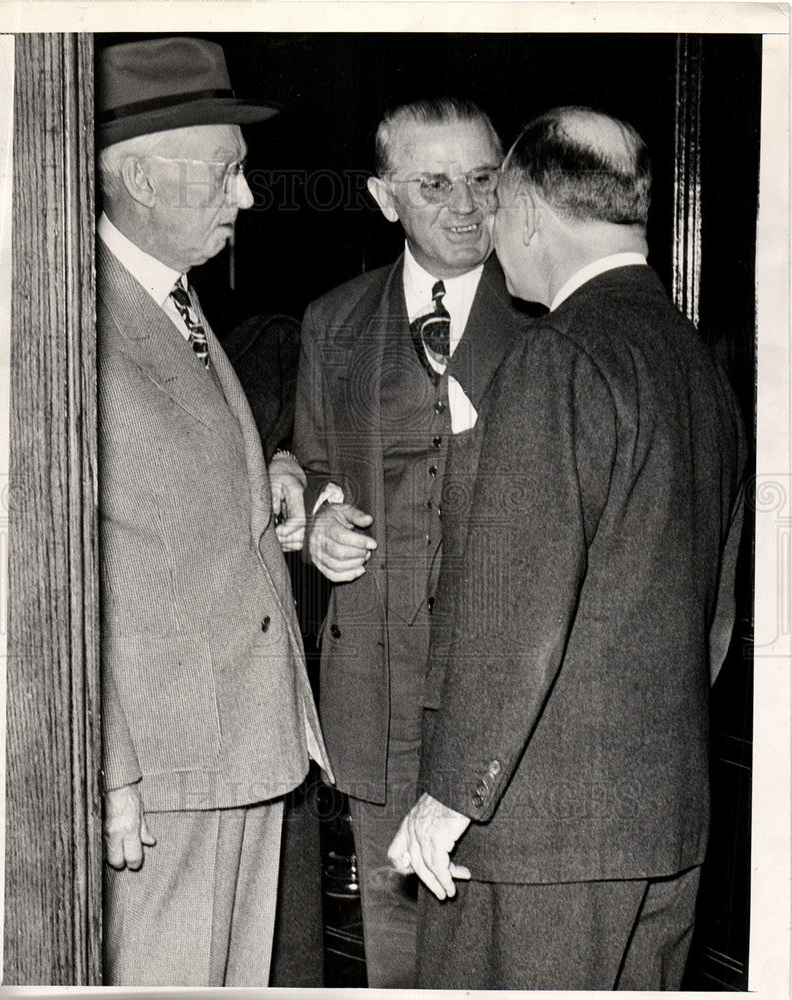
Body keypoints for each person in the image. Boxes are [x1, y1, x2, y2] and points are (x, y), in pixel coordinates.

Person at [389, 106, 747, 990]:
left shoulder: (558, 356)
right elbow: (715, 615)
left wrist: (447, 798)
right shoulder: (695, 363)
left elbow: (517, 605)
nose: (494, 235)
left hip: (539, 837)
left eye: (498, 208)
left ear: (533, 213)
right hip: (660, 821)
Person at [96, 36, 332, 987]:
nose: (245, 196)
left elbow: (161, 487)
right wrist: (108, 771)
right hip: (161, 772)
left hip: (237, 750)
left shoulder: (173, 303)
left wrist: (260, 471)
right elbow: (57, 569)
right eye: (227, 172)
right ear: (142, 178)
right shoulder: (74, 324)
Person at [291, 97, 522, 986]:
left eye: (482, 179)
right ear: (385, 198)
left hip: (501, 701)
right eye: (434, 185)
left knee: (503, 949)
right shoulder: (334, 322)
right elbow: (315, 459)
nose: (466, 206)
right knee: (393, 953)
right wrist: (318, 521)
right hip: (374, 701)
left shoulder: (550, 313)